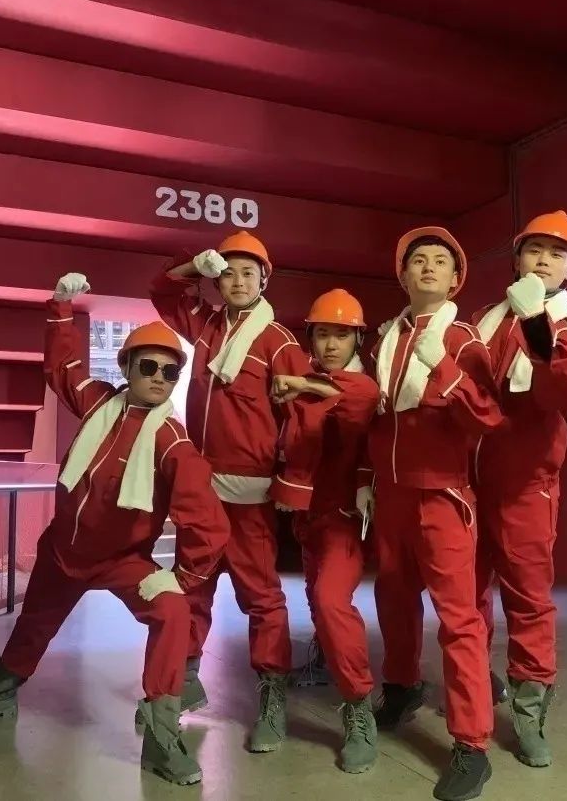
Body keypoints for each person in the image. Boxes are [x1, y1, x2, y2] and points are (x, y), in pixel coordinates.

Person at [0, 273, 231, 787]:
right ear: (126, 367)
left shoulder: (173, 443)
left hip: (123, 561)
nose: (160, 378)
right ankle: (1, 692)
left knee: (172, 612)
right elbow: (63, 369)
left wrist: (182, 579)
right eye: (149, 366)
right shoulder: (100, 403)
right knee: (34, 625)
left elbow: (209, 525)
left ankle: (161, 733)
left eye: (171, 372)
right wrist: (61, 308)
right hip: (62, 551)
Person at [150, 230, 312, 752]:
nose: (238, 281)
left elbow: (304, 416)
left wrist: (291, 483)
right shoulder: (206, 325)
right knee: (192, 586)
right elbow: (162, 292)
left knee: (260, 596)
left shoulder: (278, 341)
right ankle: (184, 679)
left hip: (250, 492)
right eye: (228, 273)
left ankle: (272, 694)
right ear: (216, 281)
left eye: (248, 272)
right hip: (202, 485)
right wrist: (192, 268)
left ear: (264, 281)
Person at [365, 228, 506, 801]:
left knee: (459, 619)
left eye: (439, 261)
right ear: (402, 276)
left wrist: (445, 370)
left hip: (444, 497)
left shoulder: (464, 338)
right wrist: (366, 480)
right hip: (392, 495)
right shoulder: (386, 339)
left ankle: (472, 744)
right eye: (417, 260)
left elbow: (489, 418)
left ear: (455, 279)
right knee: (393, 599)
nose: (427, 267)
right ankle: (402, 688)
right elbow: (376, 419)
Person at [471, 211, 567, 768]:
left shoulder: (566, 327)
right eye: (534, 249)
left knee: (528, 600)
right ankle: (474, 688)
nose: (543, 260)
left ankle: (529, 708)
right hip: (468, 483)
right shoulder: (484, 319)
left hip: (526, 487)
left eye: (556, 253)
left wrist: (538, 327)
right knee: (467, 598)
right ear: (517, 258)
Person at [268, 289, 381, 773]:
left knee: (332, 601)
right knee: (317, 599)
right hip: (306, 515)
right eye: (322, 334)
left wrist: (301, 384)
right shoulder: (305, 384)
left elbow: (355, 398)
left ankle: (358, 707)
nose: (331, 344)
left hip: (342, 518)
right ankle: (323, 660)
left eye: (341, 335)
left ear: (357, 340)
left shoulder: (356, 386)